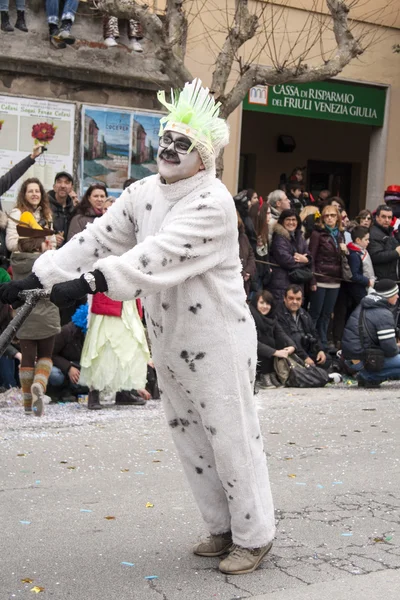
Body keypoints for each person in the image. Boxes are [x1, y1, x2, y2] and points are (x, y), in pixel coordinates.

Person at [0, 79, 275, 575]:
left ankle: (254, 536)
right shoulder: (143, 191)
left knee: (230, 437)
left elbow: (154, 257)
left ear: (204, 156)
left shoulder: (211, 202)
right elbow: (99, 238)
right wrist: (35, 277)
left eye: (182, 144)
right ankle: (221, 527)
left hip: (217, 339)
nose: (168, 149)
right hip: (168, 338)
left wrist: (84, 286)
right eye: (165, 138)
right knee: (189, 438)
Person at [10, 213, 60, 415]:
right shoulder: (46, 261)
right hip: (47, 314)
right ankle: (39, 384)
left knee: (28, 359)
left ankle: (27, 405)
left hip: (24, 316)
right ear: (39, 243)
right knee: (46, 355)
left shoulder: (16, 261)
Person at [342, 279, 400, 387]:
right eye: (396, 293)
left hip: (354, 357)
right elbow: (389, 349)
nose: (398, 296)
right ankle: (369, 376)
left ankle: (367, 374)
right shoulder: (383, 313)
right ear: (388, 295)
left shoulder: (365, 305)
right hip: (365, 359)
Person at [308, 205, 345, 351]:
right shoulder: (318, 234)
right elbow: (311, 257)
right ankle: (312, 341)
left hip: (335, 279)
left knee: (327, 314)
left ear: (338, 218)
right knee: (315, 313)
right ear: (322, 218)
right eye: (326, 215)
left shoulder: (340, 234)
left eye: (333, 215)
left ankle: (323, 340)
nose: (330, 218)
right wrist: (312, 280)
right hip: (320, 278)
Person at [249, 290, 295, 389]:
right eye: (261, 303)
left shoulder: (272, 318)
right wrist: (275, 352)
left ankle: (271, 373)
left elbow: (281, 334)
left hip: (267, 352)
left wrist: (291, 346)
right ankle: (262, 376)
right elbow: (251, 342)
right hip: (251, 354)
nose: (265, 306)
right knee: (266, 341)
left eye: (268, 303)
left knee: (276, 340)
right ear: (255, 303)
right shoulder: (250, 318)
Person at [276, 285, 327, 368]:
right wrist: (305, 357)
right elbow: (287, 339)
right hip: (292, 352)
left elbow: (314, 333)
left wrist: (320, 350)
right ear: (284, 298)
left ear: (302, 300)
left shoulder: (304, 313)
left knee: (326, 359)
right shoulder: (278, 314)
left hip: (306, 348)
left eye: (298, 299)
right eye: (291, 298)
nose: (295, 302)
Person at [269, 209, 311, 302]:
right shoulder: (279, 238)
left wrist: (307, 259)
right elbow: (286, 261)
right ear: (282, 221)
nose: (291, 222)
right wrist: (304, 261)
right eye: (288, 219)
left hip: (297, 283)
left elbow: (308, 255)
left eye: (294, 220)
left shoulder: (299, 236)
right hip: (281, 285)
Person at [6, 178, 55, 253]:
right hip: (24, 261)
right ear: (24, 195)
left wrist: (49, 248)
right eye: (30, 191)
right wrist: (38, 245)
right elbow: (11, 243)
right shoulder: (17, 213)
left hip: (43, 260)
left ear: (41, 194)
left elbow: (53, 242)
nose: (34, 194)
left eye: (37, 191)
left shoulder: (47, 216)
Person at [368, 204, 400, 281]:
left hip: (391, 278)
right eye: (383, 216)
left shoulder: (389, 231)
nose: (387, 220)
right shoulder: (373, 233)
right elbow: (375, 256)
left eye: (389, 217)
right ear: (377, 217)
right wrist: (396, 253)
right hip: (381, 280)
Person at [347, 225, 375, 306]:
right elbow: (354, 275)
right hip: (358, 288)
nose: (368, 242)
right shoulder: (354, 255)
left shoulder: (362, 250)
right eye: (366, 239)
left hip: (364, 287)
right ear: (358, 240)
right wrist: (368, 281)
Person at [48, 171, 75, 246]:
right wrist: (52, 238)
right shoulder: (44, 206)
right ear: (54, 186)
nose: (63, 186)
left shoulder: (73, 209)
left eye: (67, 182)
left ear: (71, 188)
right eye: (59, 182)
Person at [237, 212, 255, 297]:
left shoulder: (243, 237)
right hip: (233, 282)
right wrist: (242, 273)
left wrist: (248, 271)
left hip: (245, 282)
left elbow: (251, 255)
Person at [255, 202, 271, 290]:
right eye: (268, 213)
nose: (270, 216)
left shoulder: (266, 231)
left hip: (262, 275)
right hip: (257, 275)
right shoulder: (257, 233)